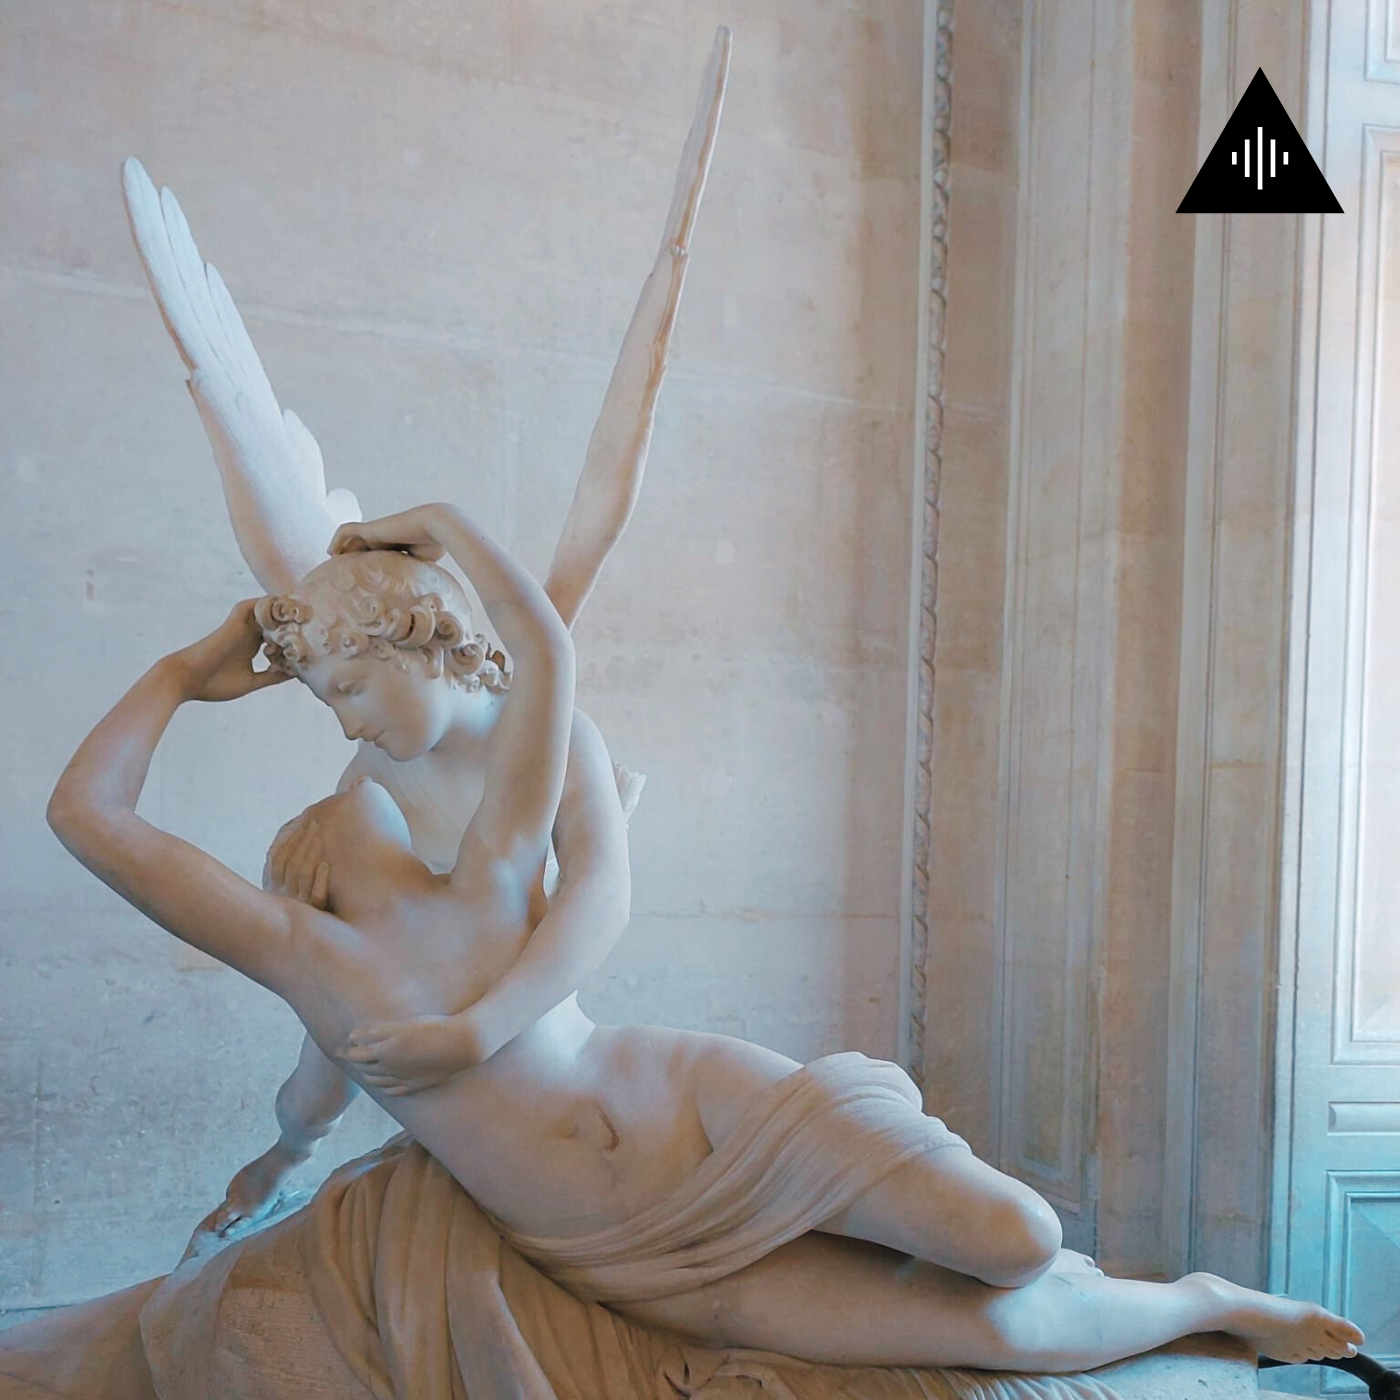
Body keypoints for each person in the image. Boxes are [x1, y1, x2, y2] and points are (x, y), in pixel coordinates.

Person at [47, 502, 1365, 1375]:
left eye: (346, 692)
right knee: (995, 1332)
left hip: (698, 1108)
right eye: (321, 807)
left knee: (1014, 1239)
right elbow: (91, 821)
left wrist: (436, 526)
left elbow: (544, 659)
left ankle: (1183, 1292)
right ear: (309, 880)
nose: (347, 749)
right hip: (629, 1253)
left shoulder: (490, 867)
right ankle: (1207, 1306)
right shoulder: (308, 964)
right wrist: (176, 675)